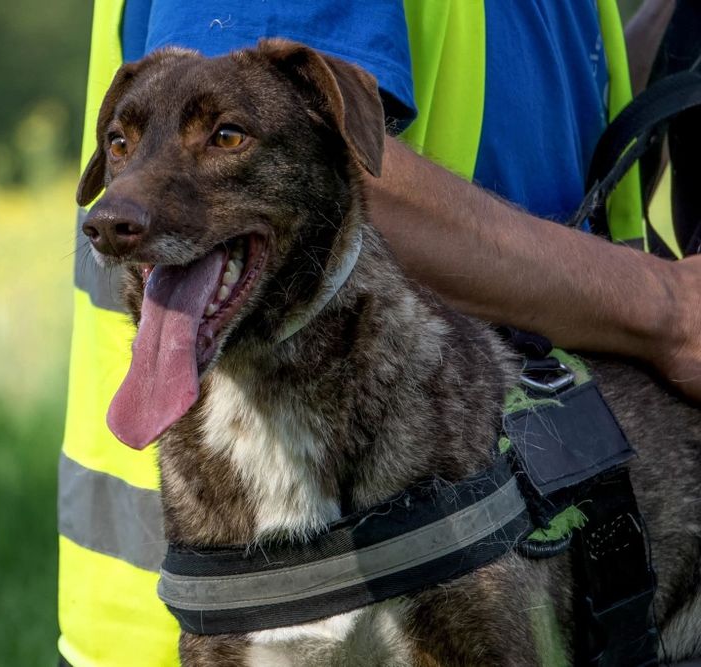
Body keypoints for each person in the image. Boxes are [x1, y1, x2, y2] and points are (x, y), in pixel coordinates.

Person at [58, 1, 701, 665]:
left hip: (581, 521)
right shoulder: (258, 90)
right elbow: (356, 167)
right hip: (211, 590)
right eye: (121, 145)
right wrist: (667, 308)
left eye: (220, 139)